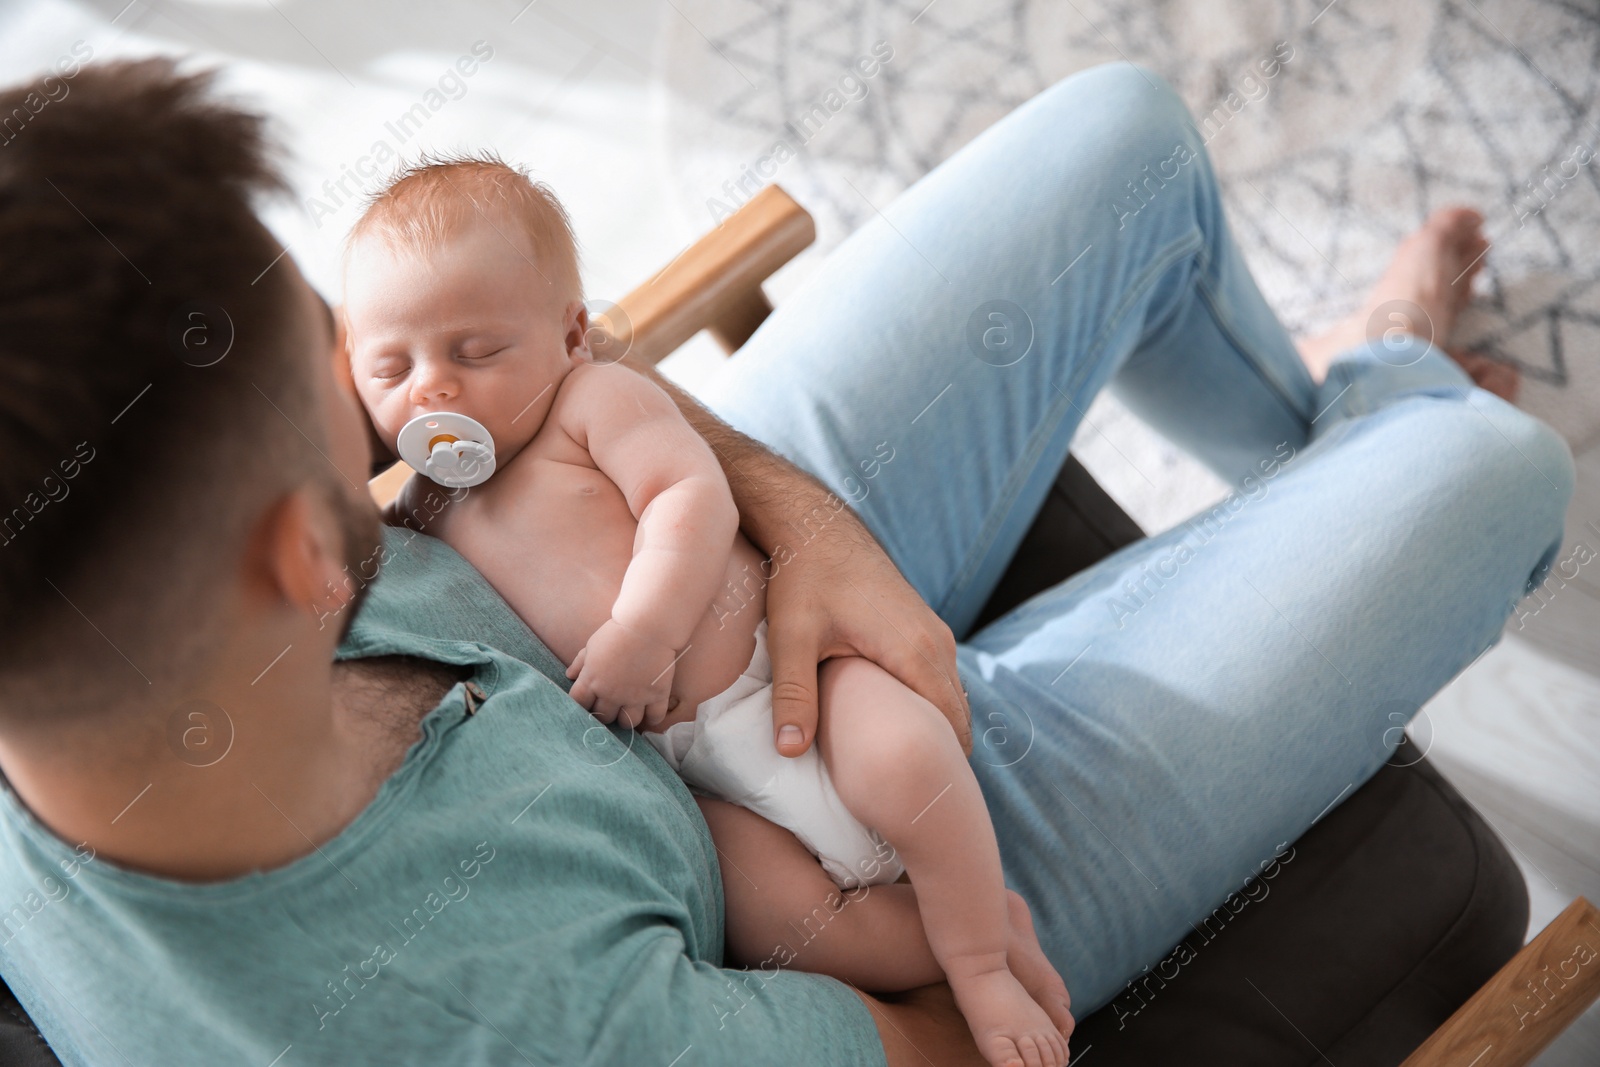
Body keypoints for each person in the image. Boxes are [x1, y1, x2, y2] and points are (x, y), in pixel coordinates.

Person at [0, 54, 1571, 1066]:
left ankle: (1317, 447)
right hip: (857, 868)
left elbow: (522, 386)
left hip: (660, 554)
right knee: (1494, 469)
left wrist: (812, 532)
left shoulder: (112, 559)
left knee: (1130, 139)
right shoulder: (530, 1026)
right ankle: (1383, 377)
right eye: (328, 378)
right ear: (298, 553)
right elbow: (953, 1039)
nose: (378, 394)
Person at [341, 156, 1074, 1067]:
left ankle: (982, 970)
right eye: (390, 367)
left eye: (475, 352)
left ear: (572, 333)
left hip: (784, 678)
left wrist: (646, 632)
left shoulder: (590, 403)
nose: (432, 391)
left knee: (906, 760)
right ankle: (970, 926)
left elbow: (692, 500)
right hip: (703, 780)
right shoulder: (424, 514)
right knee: (777, 920)